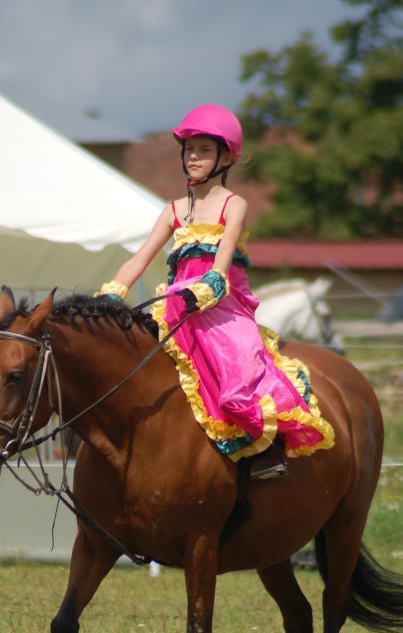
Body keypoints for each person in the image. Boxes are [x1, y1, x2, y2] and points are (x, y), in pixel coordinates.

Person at [96, 104, 334, 479]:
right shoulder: (173, 210)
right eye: (189, 149)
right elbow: (138, 260)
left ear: (224, 157)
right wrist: (111, 294)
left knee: (238, 375)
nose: (193, 157)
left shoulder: (233, 204)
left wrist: (202, 293)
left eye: (203, 150)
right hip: (176, 306)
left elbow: (221, 268)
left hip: (222, 305)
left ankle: (265, 450)